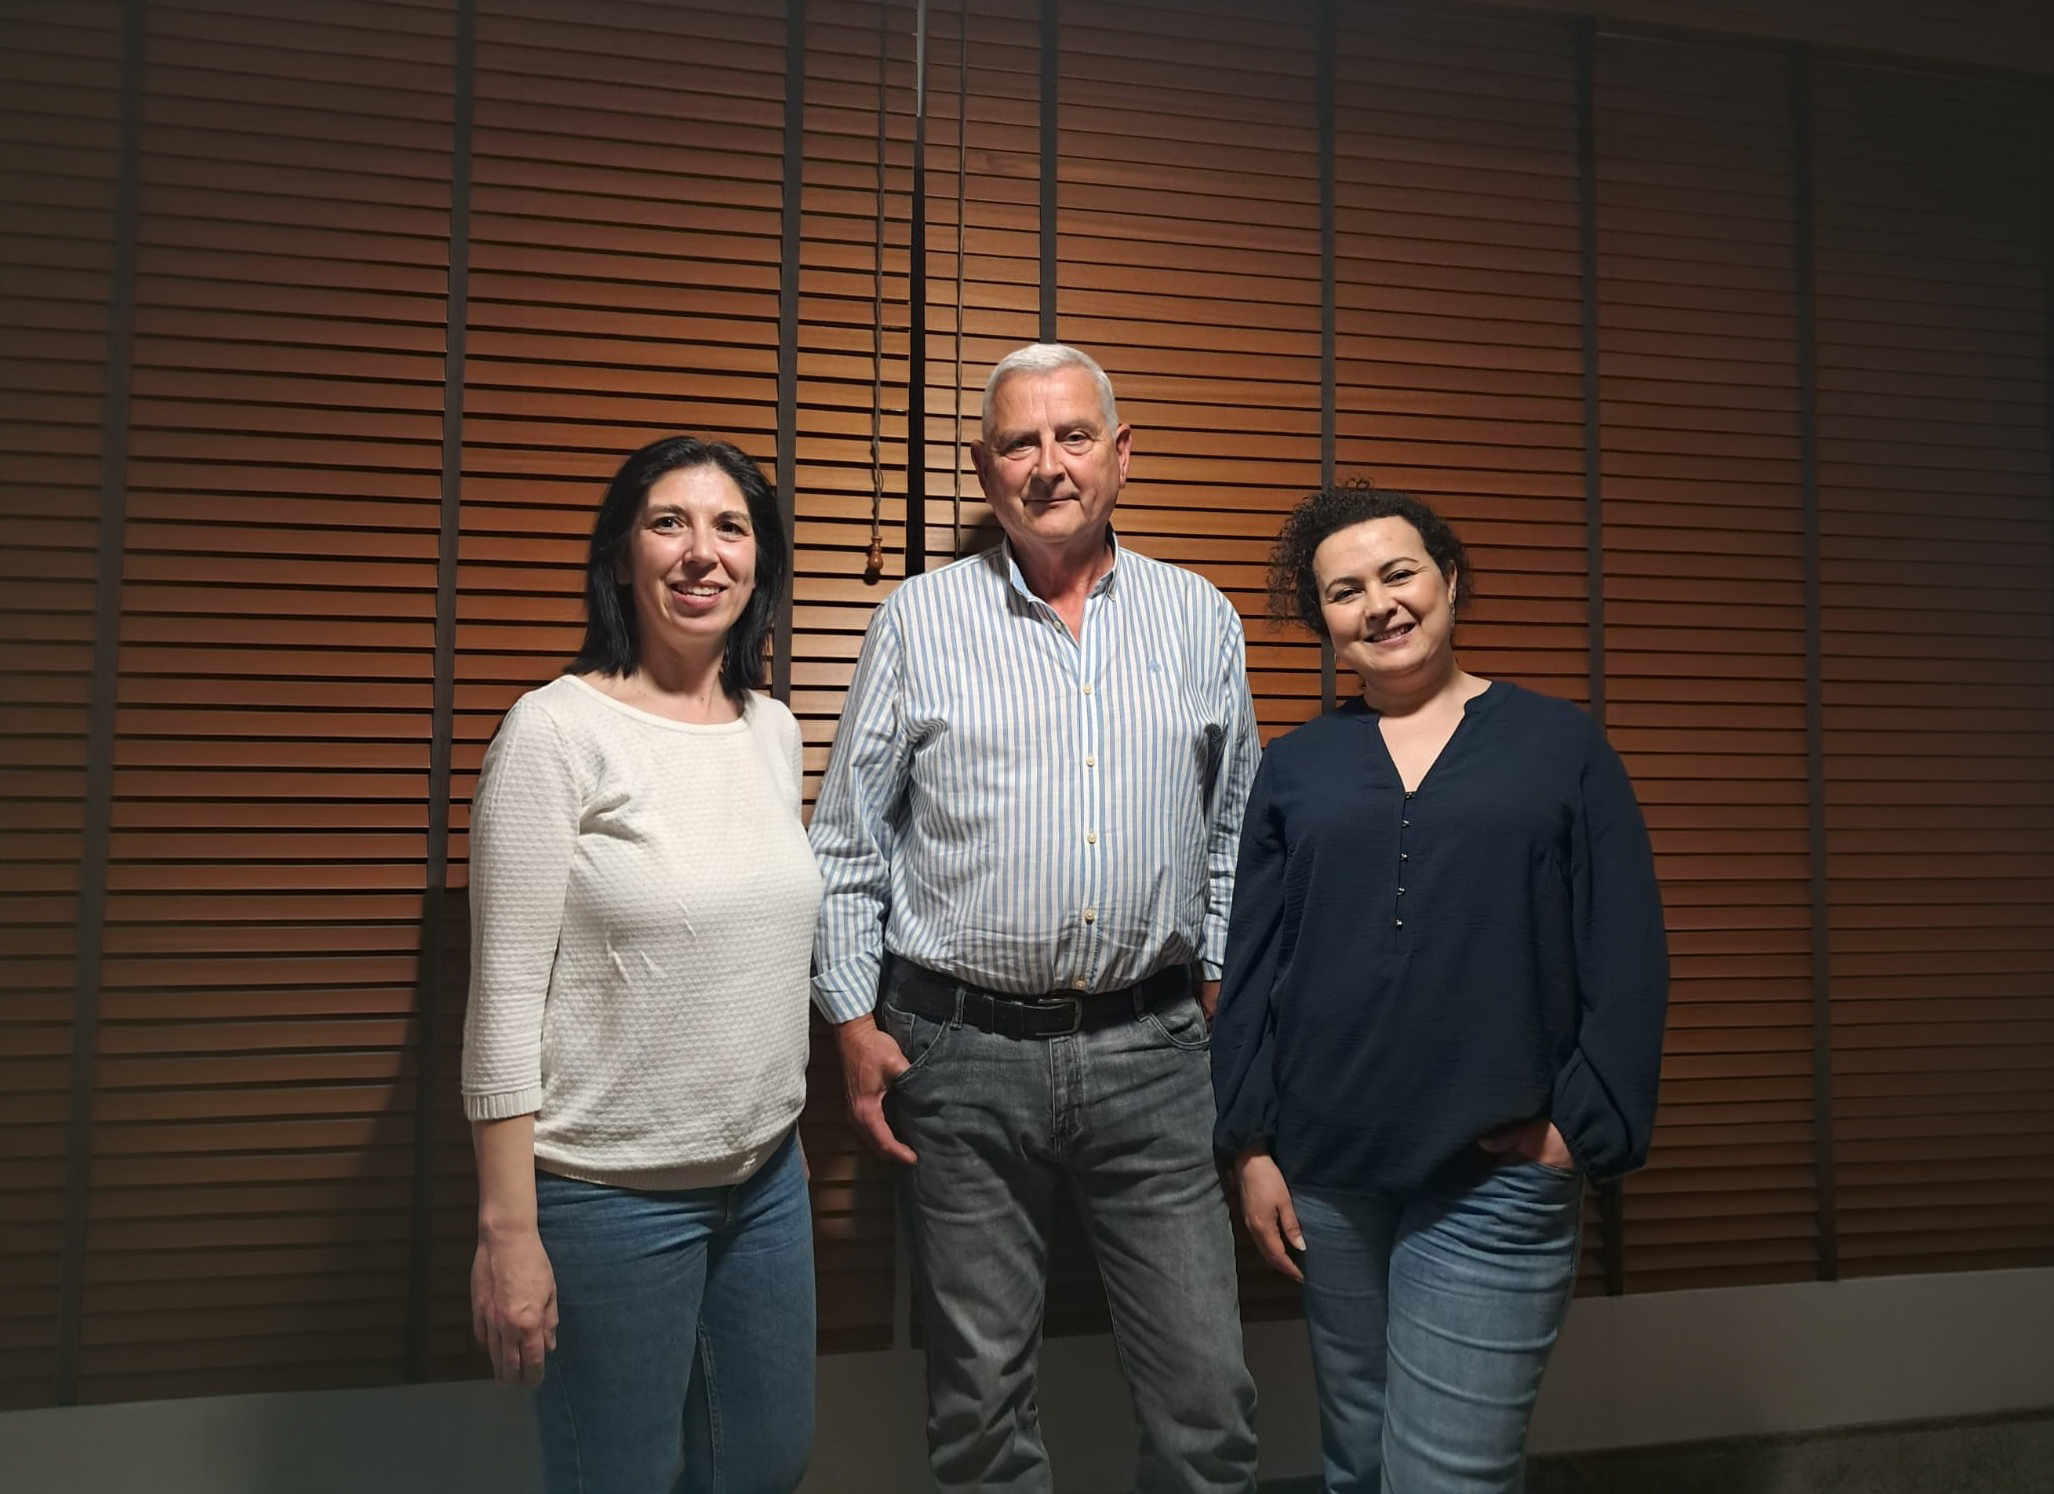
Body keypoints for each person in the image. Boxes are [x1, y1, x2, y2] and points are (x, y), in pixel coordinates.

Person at [809, 343, 1262, 1492]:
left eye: (1072, 437)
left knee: (1205, 1404)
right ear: (983, 468)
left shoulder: (1197, 617)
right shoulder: (917, 620)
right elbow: (848, 842)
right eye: (1018, 442)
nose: (1047, 465)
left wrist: (1218, 984)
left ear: (1121, 455)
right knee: (979, 1411)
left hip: (1156, 1056)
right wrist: (851, 1021)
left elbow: (1232, 835)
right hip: (957, 1058)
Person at [1212, 483, 1669, 1493]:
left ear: (1448, 580)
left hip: (1495, 1174)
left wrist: (1578, 1129)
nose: (1377, 604)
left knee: (1445, 1479)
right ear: (1322, 621)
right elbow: (1251, 962)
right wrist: (1247, 1145)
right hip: (1326, 1176)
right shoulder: (1295, 768)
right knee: (1358, 1461)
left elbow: (1626, 950)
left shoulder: (1560, 747)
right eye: (1344, 592)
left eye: (1397, 574)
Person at [462, 435, 822, 1494]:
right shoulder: (553, 732)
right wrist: (507, 1233)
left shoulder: (773, 730)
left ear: (759, 564)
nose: (701, 551)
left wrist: (777, 1122)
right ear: (622, 558)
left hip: (765, 1189)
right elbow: (502, 1002)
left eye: (730, 527)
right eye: (670, 523)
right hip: (608, 1199)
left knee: (764, 1465)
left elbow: (757, 953)